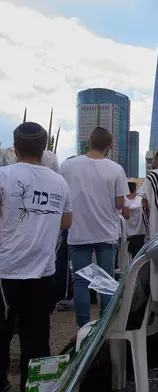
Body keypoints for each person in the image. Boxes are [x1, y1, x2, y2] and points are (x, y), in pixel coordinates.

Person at [0, 122, 72, 392]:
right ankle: (34, 387)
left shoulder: (4, 176)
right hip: (42, 272)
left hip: (5, 272)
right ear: (45, 148)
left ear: (15, 147)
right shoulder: (59, 182)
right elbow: (66, 222)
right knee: (37, 337)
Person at [60, 127, 129, 328]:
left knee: (81, 281)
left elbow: (62, 195)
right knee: (105, 281)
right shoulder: (116, 169)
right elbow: (119, 204)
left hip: (78, 231)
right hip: (106, 233)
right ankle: (105, 326)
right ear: (109, 146)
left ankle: (83, 327)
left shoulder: (68, 166)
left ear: (88, 143)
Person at [124, 181, 147, 260]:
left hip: (126, 235)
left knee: (124, 258)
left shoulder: (123, 202)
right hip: (141, 233)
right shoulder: (140, 201)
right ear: (135, 189)